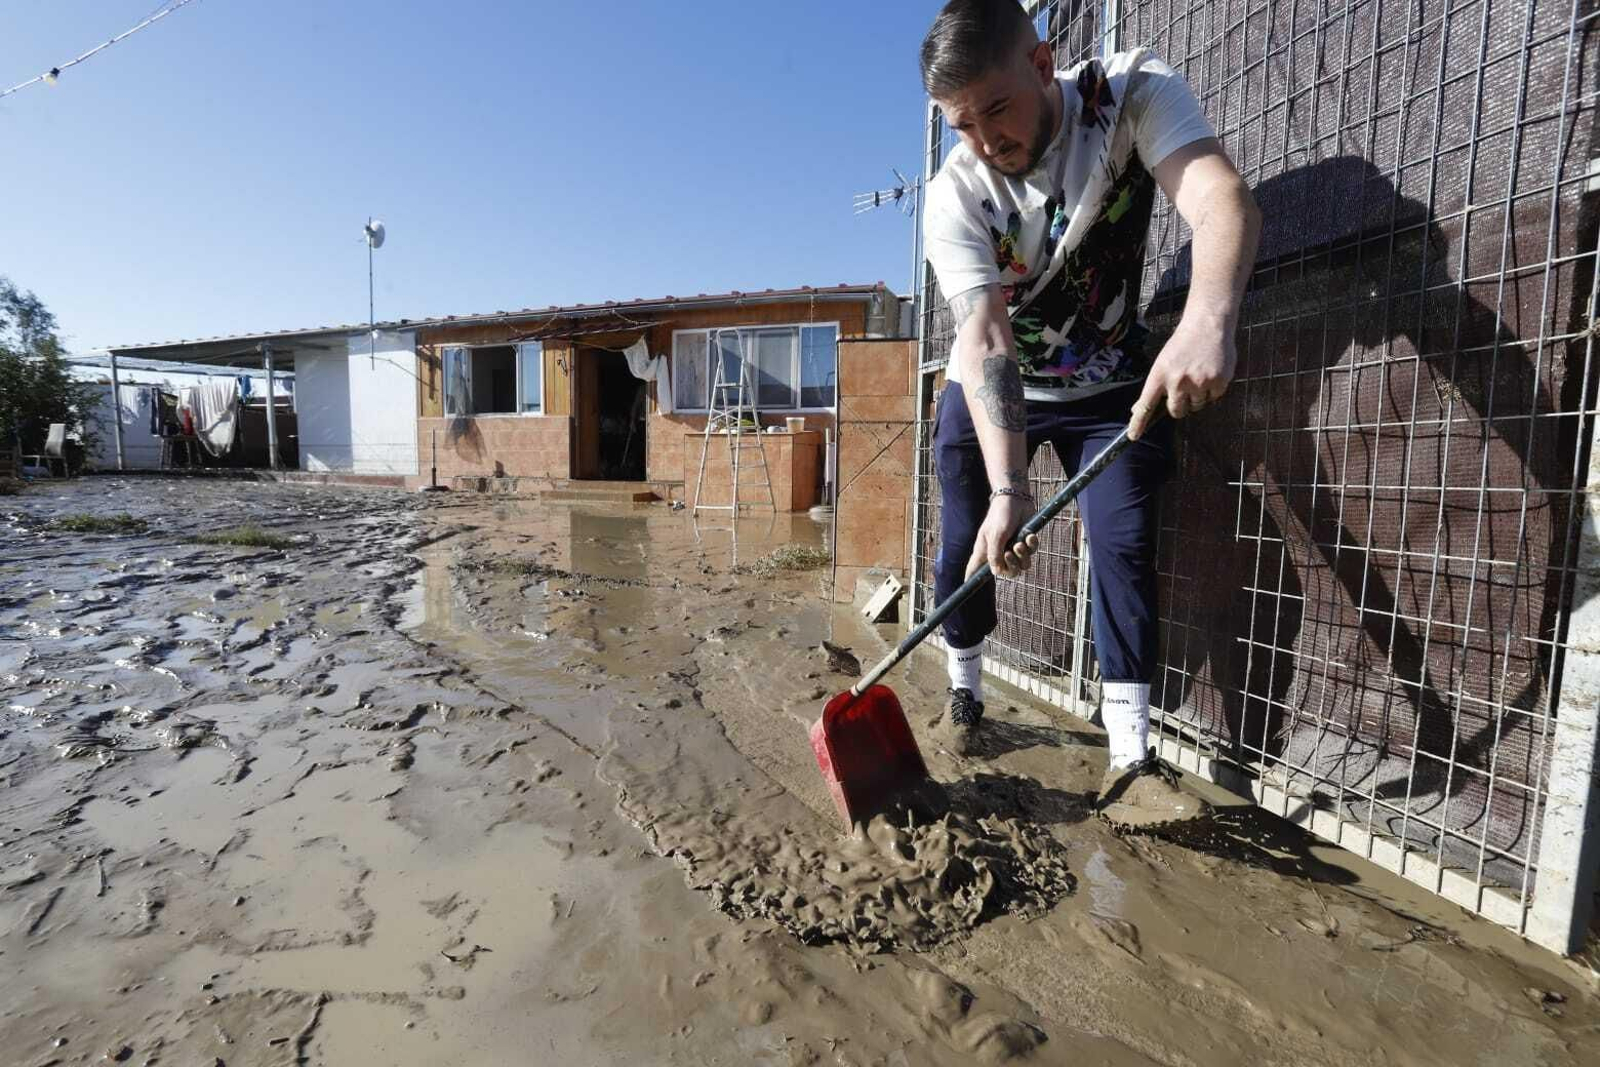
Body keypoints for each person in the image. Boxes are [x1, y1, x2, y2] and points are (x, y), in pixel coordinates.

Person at [918, 0, 1260, 826]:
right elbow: (989, 338)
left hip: (1110, 382)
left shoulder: (1131, 93)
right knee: (966, 536)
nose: (985, 143)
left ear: (1041, 66)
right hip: (994, 384)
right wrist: (1011, 490)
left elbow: (1219, 200)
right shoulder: (953, 195)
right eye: (961, 125)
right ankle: (965, 695)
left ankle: (1131, 758)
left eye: (996, 110)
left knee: (1123, 544)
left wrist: (1208, 318)